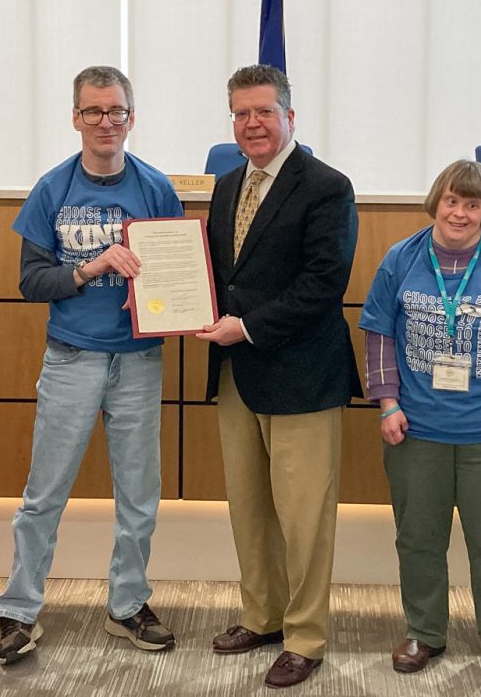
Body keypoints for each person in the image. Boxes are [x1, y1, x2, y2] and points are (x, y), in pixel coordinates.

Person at [0, 65, 185, 663]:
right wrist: (91, 267)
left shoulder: (156, 189)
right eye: (94, 112)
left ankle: (127, 604)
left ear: (132, 117)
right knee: (43, 494)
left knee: (139, 496)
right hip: (71, 358)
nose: (106, 122)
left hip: (138, 361)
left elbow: (177, 275)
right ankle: (18, 610)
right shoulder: (52, 189)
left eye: (116, 112)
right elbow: (30, 281)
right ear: (75, 117)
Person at [359, 159, 481, 684]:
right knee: (418, 540)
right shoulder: (401, 258)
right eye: (452, 201)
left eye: (473, 204)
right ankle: (425, 632)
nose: (461, 213)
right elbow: (378, 333)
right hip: (415, 431)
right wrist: (388, 403)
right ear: (436, 203)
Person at [197, 64, 361, 689]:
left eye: (264, 111)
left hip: (299, 371)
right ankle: (261, 615)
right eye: (241, 113)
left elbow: (324, 283)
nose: (252, 123)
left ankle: (306, 635)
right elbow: (218, 272)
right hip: (237, 373)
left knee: (303, 515)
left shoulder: (326, 186)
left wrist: (246, 325)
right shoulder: (226, 184)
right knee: (249, 508)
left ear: (291, 116)